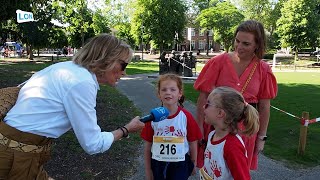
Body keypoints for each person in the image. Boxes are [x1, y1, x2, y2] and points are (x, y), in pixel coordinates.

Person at [0, 34, 145, 179]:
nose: (124, 72)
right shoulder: (82, 82)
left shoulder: (66, 69)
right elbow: (93, 144)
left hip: (19, 149)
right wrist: (126, 129)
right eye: (123, 65)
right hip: (16, 155)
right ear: (106, 59)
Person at [194, 20, 278, 170]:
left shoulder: (263, 69)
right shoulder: (217, 62)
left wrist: (261, 137)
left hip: (246, 131)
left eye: (246, 44)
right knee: (212, 170)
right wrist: (199, 128)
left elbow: (264, 107)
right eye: (237, 41)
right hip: (215, 129)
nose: (239, 47)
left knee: (238, 172)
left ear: (257, 45)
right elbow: (203, 99)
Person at [141, 73, 202, 180]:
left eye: (173, 89)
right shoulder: (152, 118)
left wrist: (193, 163)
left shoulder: (186, 117)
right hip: (158, 163)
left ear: (180, 93)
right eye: (164, 90)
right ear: (159, 94)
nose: (168, 92)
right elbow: (147, 146)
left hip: (180, 164)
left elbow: (193, 142)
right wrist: (148, 170)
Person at [199, 86, 259, 180]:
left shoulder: (232, 147)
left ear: (220, 113)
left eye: (207, 104)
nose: (203, 107)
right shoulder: (212, 134)